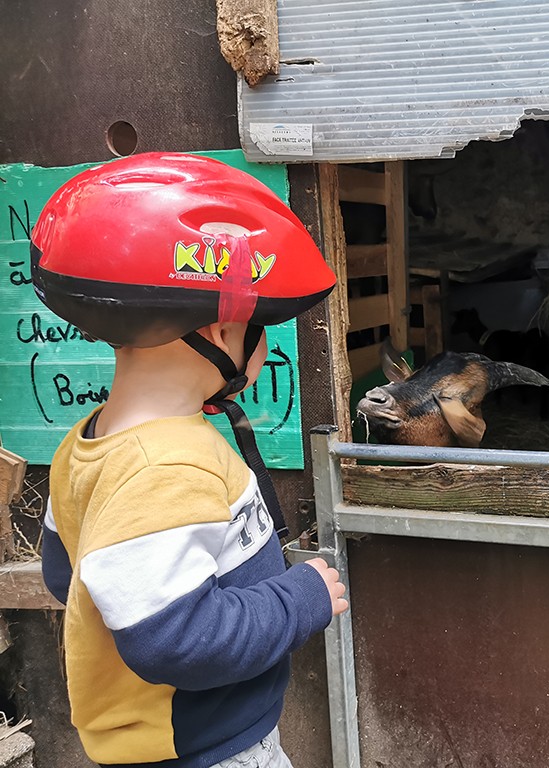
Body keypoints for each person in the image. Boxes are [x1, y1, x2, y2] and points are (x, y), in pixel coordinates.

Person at [32, 152, 347, 768]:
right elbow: (177, 640)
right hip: (208, 752)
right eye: (262, 327)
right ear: (224, 332)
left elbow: (66, 579)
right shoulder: (166, 467)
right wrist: (302, 598)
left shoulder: (89, 442)